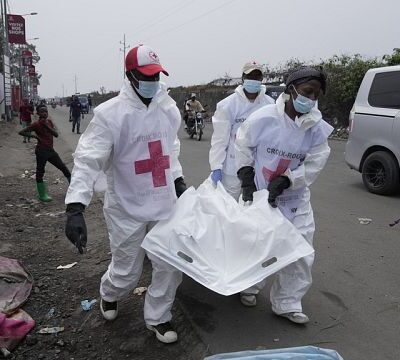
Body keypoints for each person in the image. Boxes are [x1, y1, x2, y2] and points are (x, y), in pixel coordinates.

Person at [64, 44, 187, 344]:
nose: (152, 82)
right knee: (127, 273)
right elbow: (88, 158)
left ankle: (159, 316)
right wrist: (75, 206)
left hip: (163, 204)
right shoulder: (110, 115)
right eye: (146, 76)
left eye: (157, 76)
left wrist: (178, 179)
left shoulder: (168, 109)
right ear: (129, 75)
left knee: (170, 265)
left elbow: (169, 149)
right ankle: (110, 293)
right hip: (125, 207)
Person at [235, 67, 333, 323]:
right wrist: (245, 175)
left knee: (301, 250)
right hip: (259, 192)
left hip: (295, 198)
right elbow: (243, 144)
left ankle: (288, 302)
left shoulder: (316, 128)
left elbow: (315, 162)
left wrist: (290, 180)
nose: (310, 99)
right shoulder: (263, 118)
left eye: (316, 95)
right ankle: (250, 286)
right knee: (257, 244)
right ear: (291, 90)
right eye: (306, 92)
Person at [209, 61, 275, 199]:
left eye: (257, 77)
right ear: (243, 78)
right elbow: (220, 139)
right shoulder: (228, 105)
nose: (254, 80)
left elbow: (273, 138)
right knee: (228, 209)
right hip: (232, 169)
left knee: (255, 209)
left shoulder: (270, 105)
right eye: (250, 76)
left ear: (262, 79)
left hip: (259, 169)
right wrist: (216, 165)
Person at [19, 104, 71, 202]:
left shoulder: (49, 122)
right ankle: (42, 195)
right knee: (40, 173)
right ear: (38, 113)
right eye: (42, 111)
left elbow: (55, 135)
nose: (44, 113)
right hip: (41, 151)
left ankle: (73, 190)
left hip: (50, 151)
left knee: (64, 168)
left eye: (46, 111)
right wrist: (35, 137)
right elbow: (21, 132)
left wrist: (46, 126)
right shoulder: (36, 124)